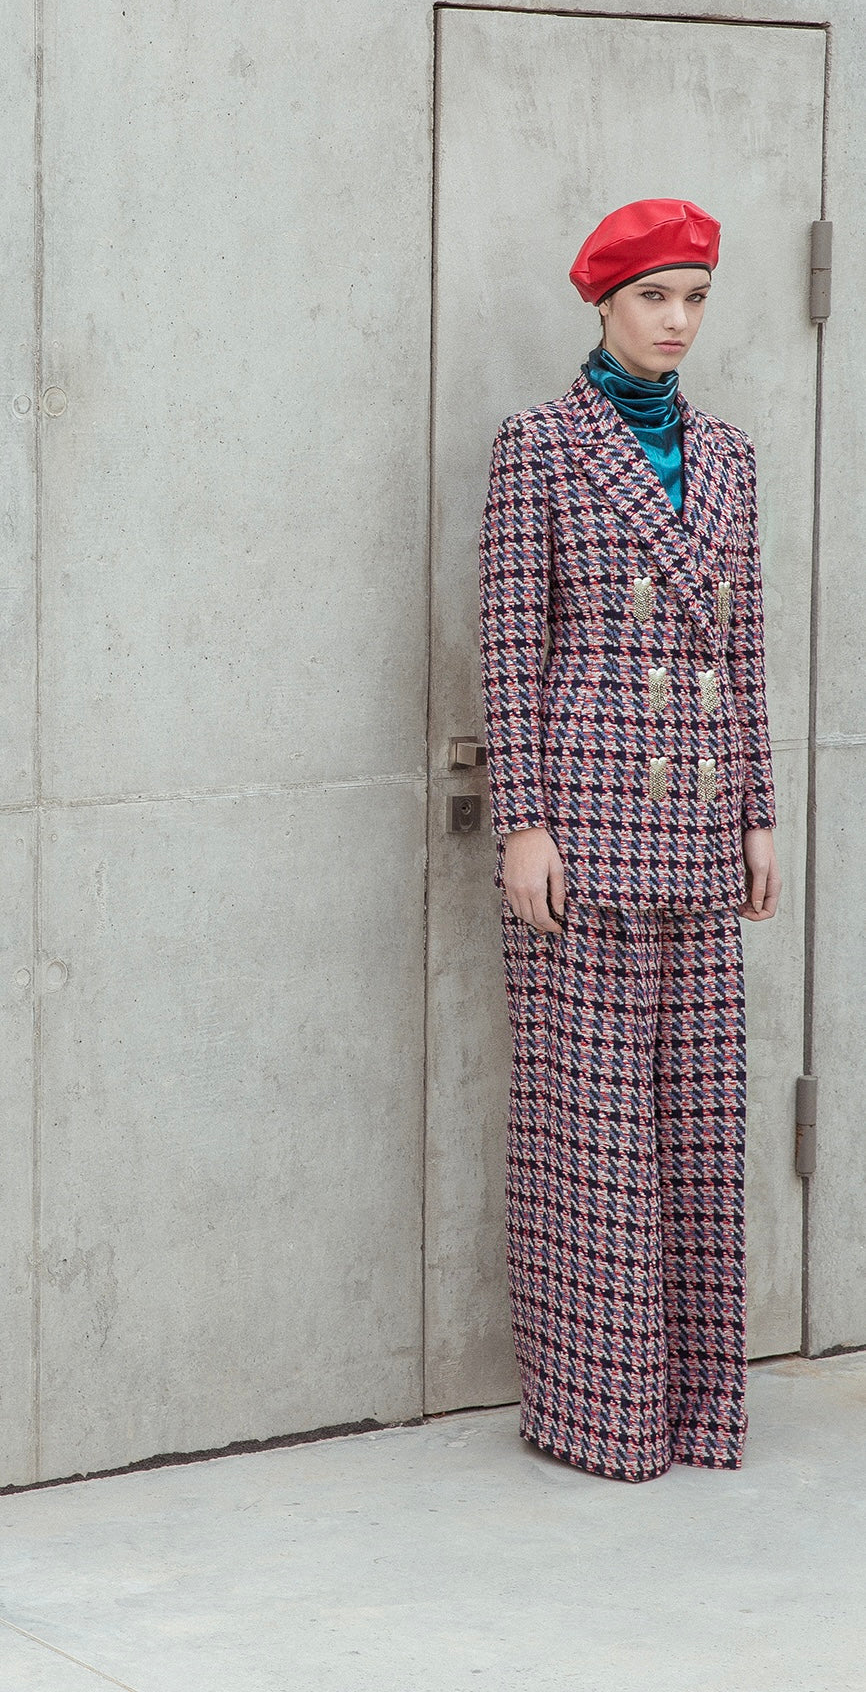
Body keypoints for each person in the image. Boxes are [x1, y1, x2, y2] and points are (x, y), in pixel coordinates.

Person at [478, 197, 781, 1483]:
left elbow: (744, 646)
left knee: (700, 1129)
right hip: (586, 831)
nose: (677, 320)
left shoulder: (731, 457)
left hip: (700, 828)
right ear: (602, 302)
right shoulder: (538, 446)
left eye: (695, 296)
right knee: (592, 1133)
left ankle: (700, 1409)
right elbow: (509, 648)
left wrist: (758, 811)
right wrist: (522, 823)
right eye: (654, 295)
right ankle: (600, 1414)